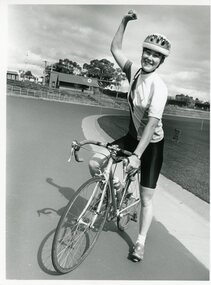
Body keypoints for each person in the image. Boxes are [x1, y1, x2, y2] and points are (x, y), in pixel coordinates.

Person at [89, 10, 171, 262]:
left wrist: (137, 156)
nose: (150, 57)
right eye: (147, 51)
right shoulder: (135, 72)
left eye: (156, 55)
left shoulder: (159, 87)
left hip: (151, 145)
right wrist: (124, 22)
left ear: (161, 61)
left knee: (146, 198)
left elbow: (152, 124)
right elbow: (115, 48)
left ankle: (140, 242)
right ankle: (114, 187)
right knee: (95, 162)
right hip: (131, 136)